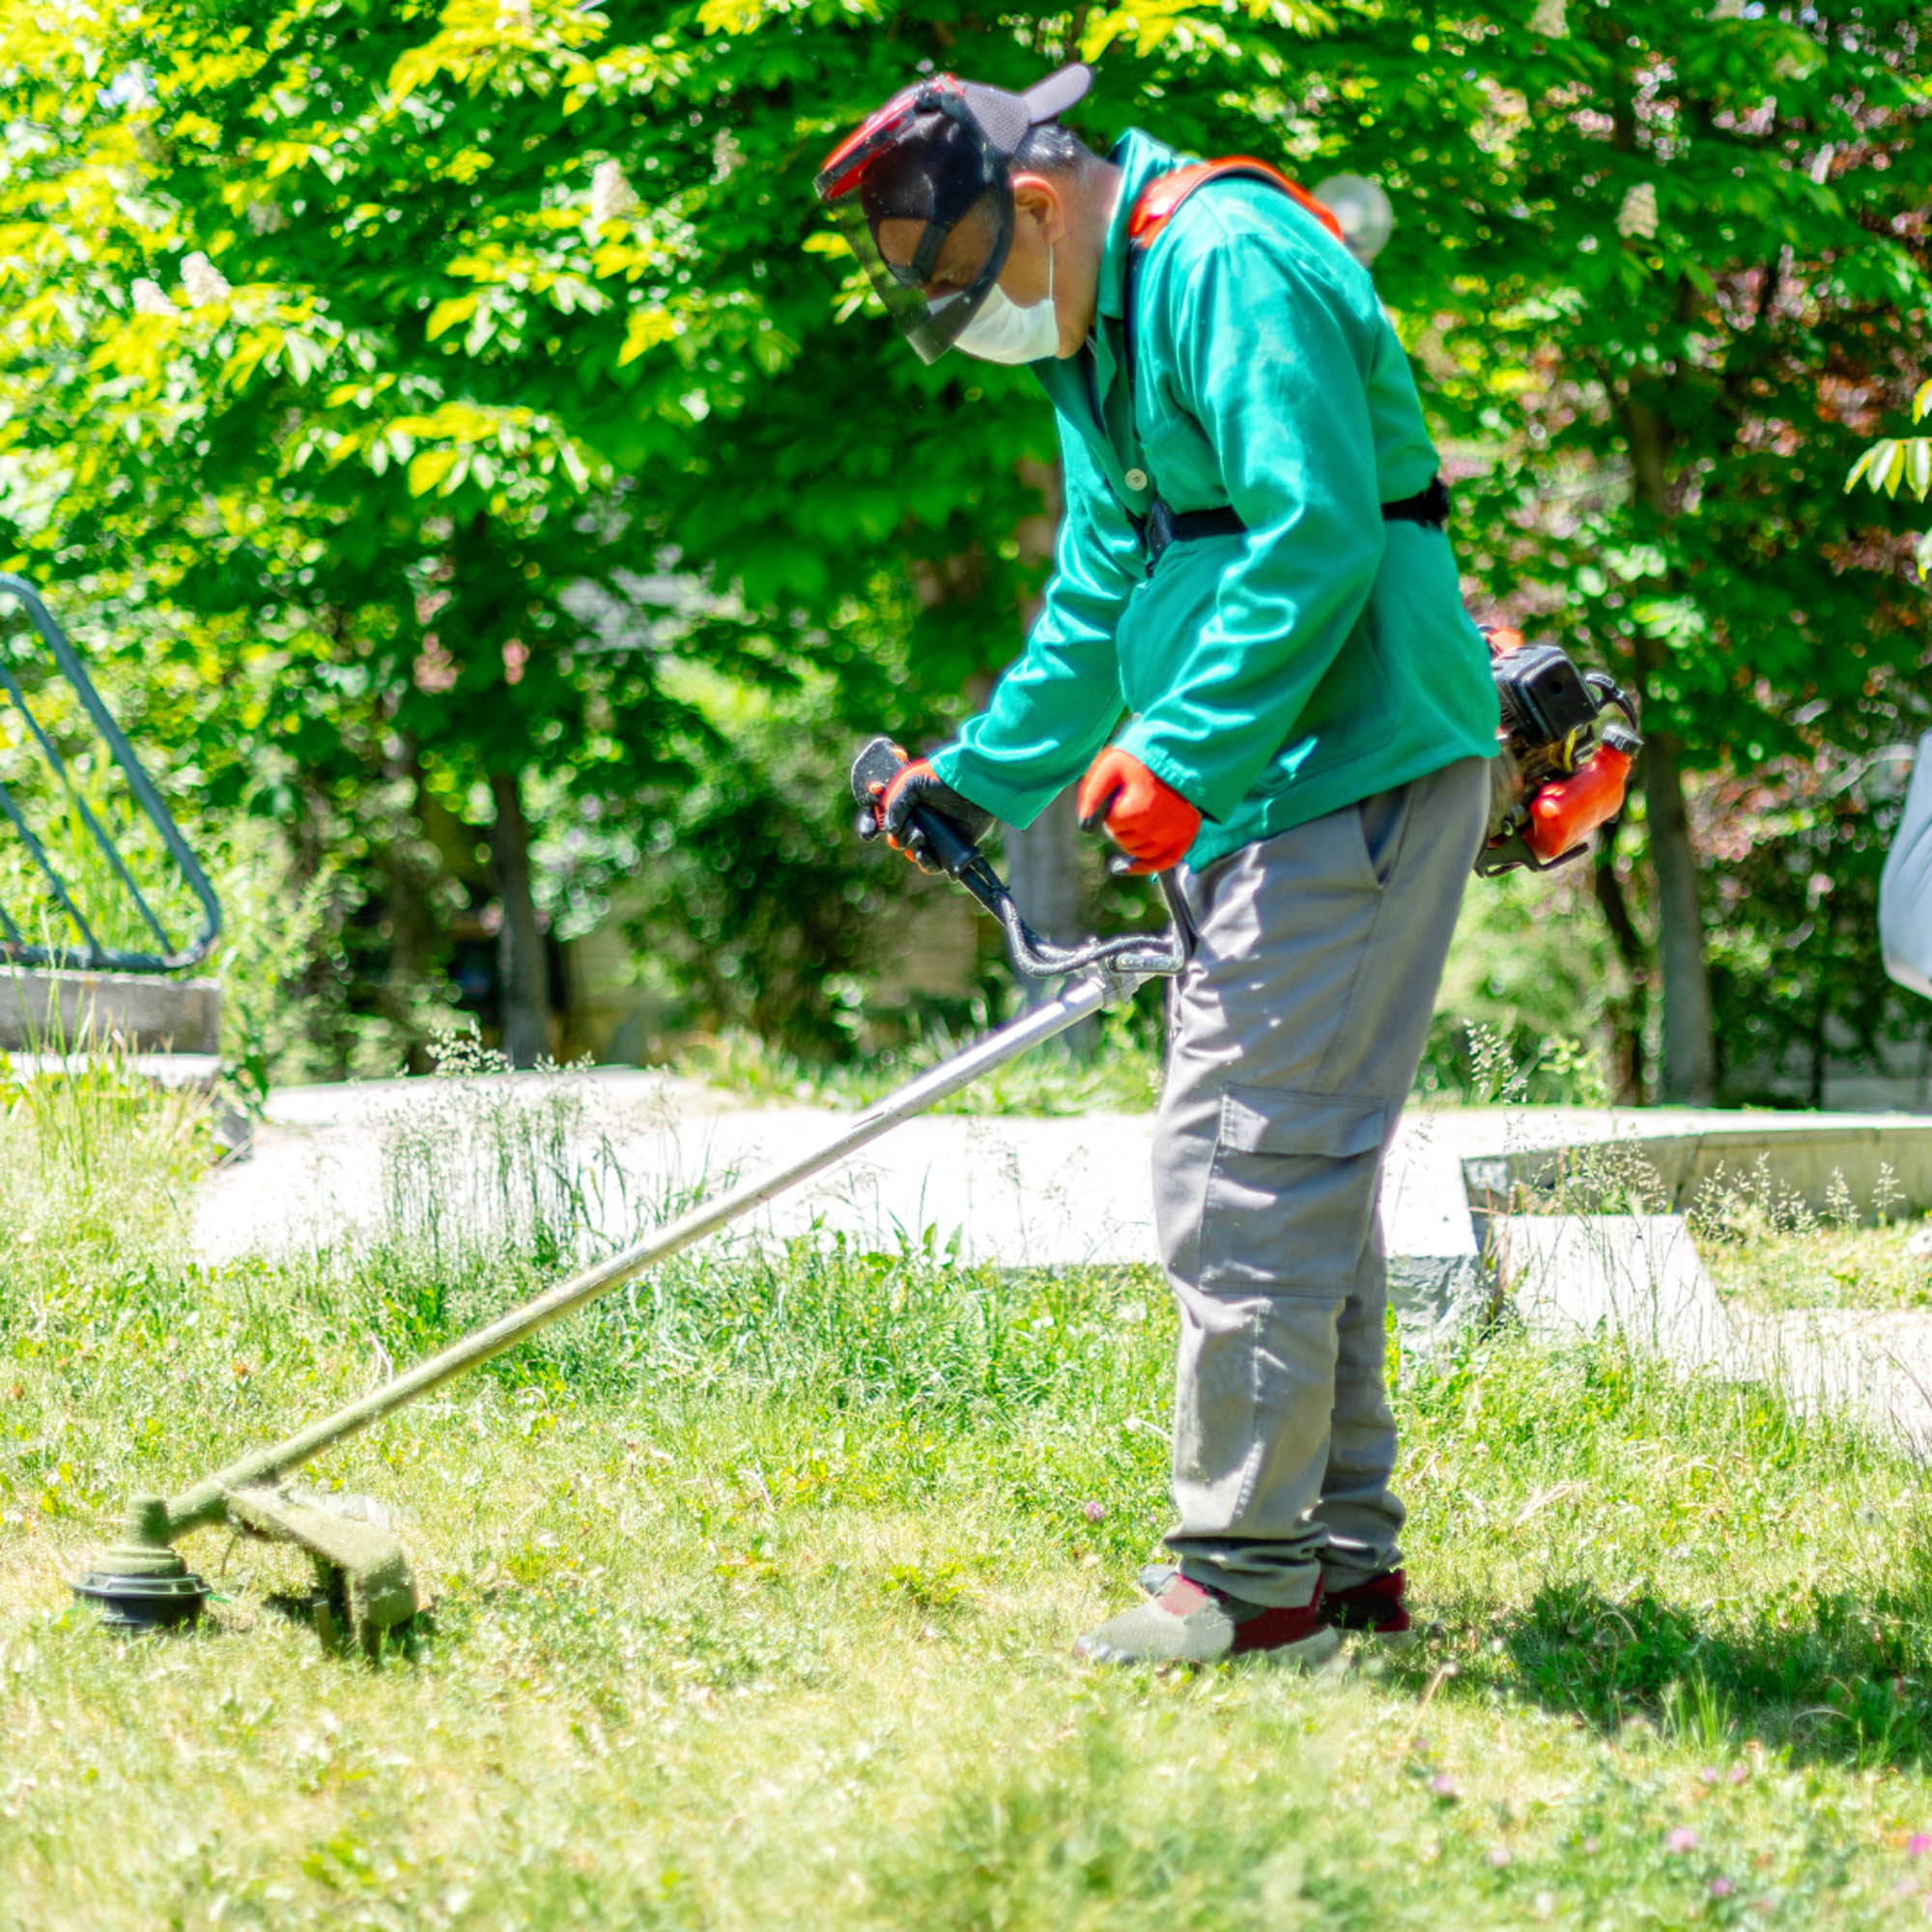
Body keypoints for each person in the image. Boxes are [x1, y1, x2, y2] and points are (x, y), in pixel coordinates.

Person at [816, 64, 1499, 1665]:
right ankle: (1334, 1565)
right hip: (1275, 785)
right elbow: (1103, 589)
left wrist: (1182, 750)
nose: (967, 320)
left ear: (1038, 204)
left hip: (1360, 765)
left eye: (971, 282)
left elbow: (1318, 530)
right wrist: (976, 780)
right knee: (1291, 1172)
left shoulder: (1224, 260)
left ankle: (1246, 1586)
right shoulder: (1101, 330)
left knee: (1243, 1174)